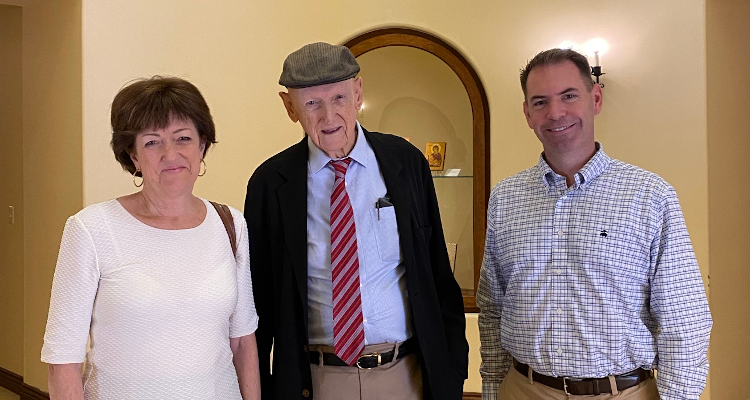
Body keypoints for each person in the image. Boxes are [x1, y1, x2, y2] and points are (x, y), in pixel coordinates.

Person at [477, 48, 712, 400]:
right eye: (540, 102)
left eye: (568, 96)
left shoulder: (649, 196)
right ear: (527, 114)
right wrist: (493, 389)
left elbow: (684, 319)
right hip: (523, 389)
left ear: (595, 98)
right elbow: (492, 309)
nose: (556, 113)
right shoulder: (505, 198)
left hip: (622, 392)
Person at [244, 42, 468, 400]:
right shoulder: (270, 184)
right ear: (290, 107)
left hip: (406, 377)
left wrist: (454, 369)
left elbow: (438, 274)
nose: (329, 117)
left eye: (338, 99)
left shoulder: (406, 162)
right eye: (312, 103)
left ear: (358, 93)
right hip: (317, 380)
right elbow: (258, 300)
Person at [41, 76, 261, 400]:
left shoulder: (230, 225)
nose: (170, 154)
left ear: (202, 146)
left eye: (183, 138)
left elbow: (242, 341)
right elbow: (63, 362)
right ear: (133, 156)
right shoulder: (90, 229)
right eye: (152, 142)